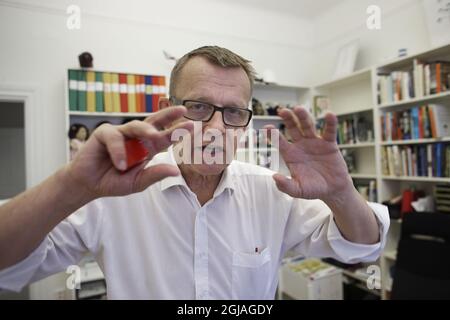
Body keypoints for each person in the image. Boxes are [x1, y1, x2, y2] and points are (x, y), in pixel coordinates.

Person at [0, 46, 389, 299]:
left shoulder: (273, 189)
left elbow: (363, 246)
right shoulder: (114, 191)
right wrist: (70, 185)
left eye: (233, 112)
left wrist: (340, 193)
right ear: (167, 107)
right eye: (199, 107)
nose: (217, 128)